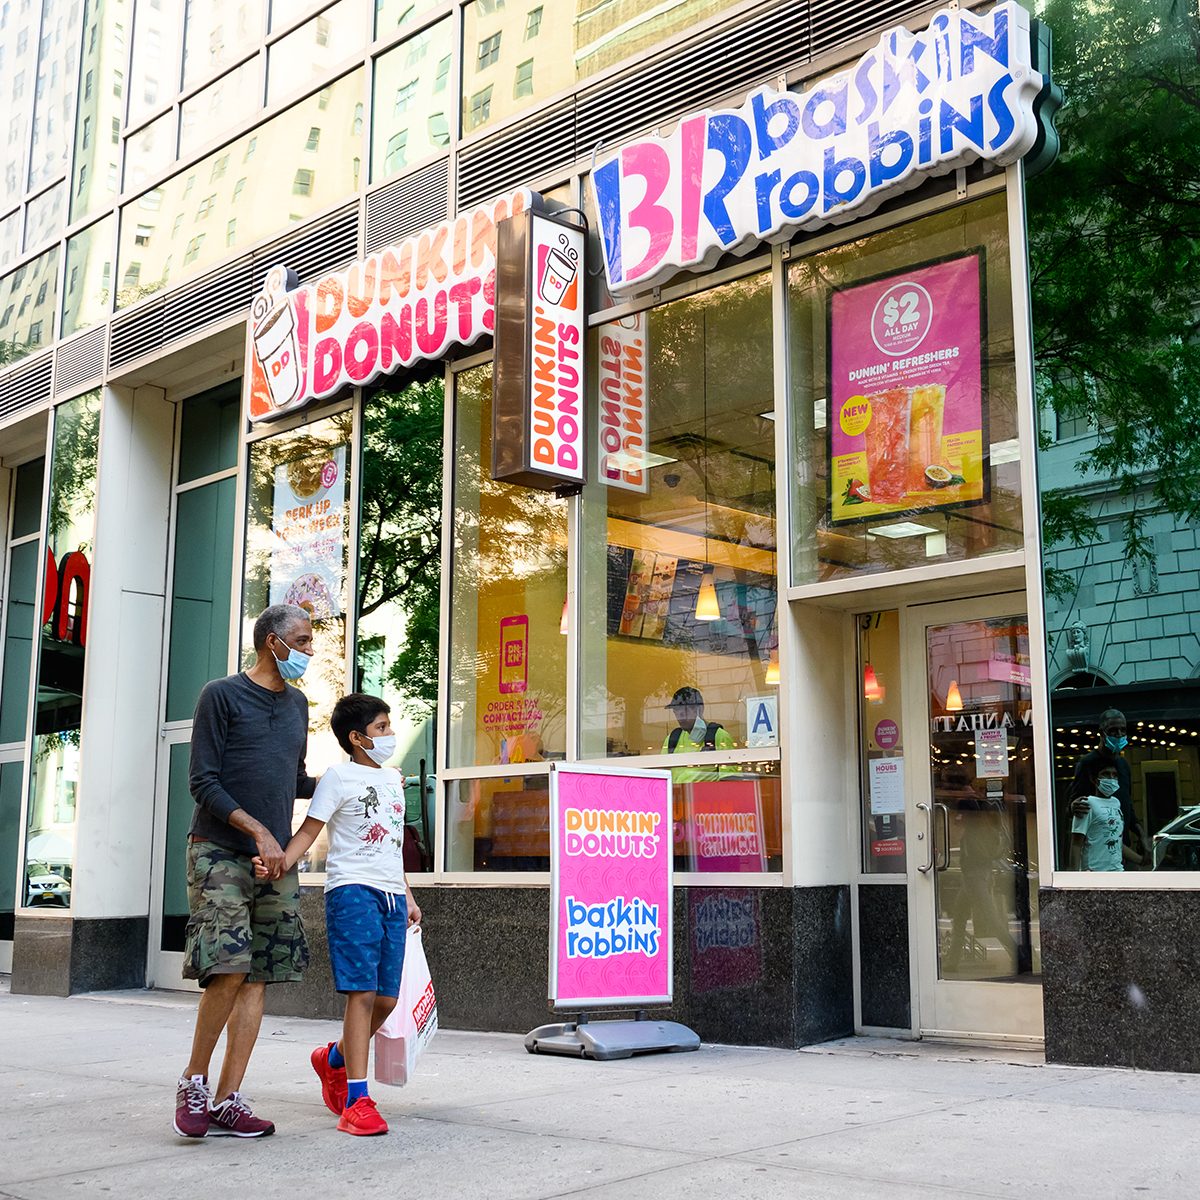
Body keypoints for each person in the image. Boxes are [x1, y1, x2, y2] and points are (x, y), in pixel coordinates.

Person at [174, 603, 318, 1139]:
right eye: (301, 641)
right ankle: (193, 1080)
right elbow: (202, 782)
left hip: (274, 860)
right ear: (271, 643)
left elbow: (294, 780)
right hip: (219, 849)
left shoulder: (299, 705)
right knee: (228, 967)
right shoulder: (221, 694)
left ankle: (228, 1099)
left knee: (259, 975)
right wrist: (258, 831)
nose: (309, 651)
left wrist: (357, 779)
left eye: (310, 641)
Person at [257, 692, 422, 1136]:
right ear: (356, 738)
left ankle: (332, 1058)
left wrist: (407, 894)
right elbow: (308, 832)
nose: (390, 734)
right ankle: (357, 1100)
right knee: (362, 994)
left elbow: (391, 844)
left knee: (386, 1000)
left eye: (389, 726)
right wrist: (279, 863)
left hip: (391, 895)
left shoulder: (392, 780)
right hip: (352, 892)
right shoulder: (338, 777)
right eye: (381, 728)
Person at [1070, 709, 1150, 862]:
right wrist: (1072, 807)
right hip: (1097, 852)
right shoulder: (1087, 763)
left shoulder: (1123, 765)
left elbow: (1127, 806)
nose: (1119, 734)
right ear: (1102, 733)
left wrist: (1142, 835)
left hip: (1121, 848)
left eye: (1123, 730)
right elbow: (1075, 804)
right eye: (1113, 730)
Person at [1070, 753, 1142, 871]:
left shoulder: (1116, 803)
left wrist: (1141, 860)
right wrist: (1074, 875)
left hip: (1117, 871)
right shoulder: (1086, 804)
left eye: (1115, 775)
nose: (1111, 778)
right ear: (1094, 779)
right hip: (1094, 872)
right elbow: (1076, 844)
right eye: (1105, 774)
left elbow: (1116, 841)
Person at [661, 687, 735, 781]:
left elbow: (729, 781)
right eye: (676, 710)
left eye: (685, 709)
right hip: (676, 790)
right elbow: (661, 776)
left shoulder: (719, 736)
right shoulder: (672, 739)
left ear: (700, 709)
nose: (680, 715)